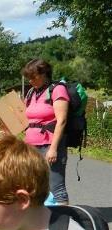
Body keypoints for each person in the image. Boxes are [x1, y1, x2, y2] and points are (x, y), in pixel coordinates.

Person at [22, 58, 70, 205]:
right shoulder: (31, 92)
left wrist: (53, 149)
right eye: (28, 77)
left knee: (56, 187)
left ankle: (64, 221)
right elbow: (24, 119)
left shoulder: (57, 89)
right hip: (31, 146)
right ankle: (42, 220)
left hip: (49, 145)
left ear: (44, 74)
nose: (30, 80)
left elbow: (61, 121)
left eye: (33, 77)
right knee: (33, 185)